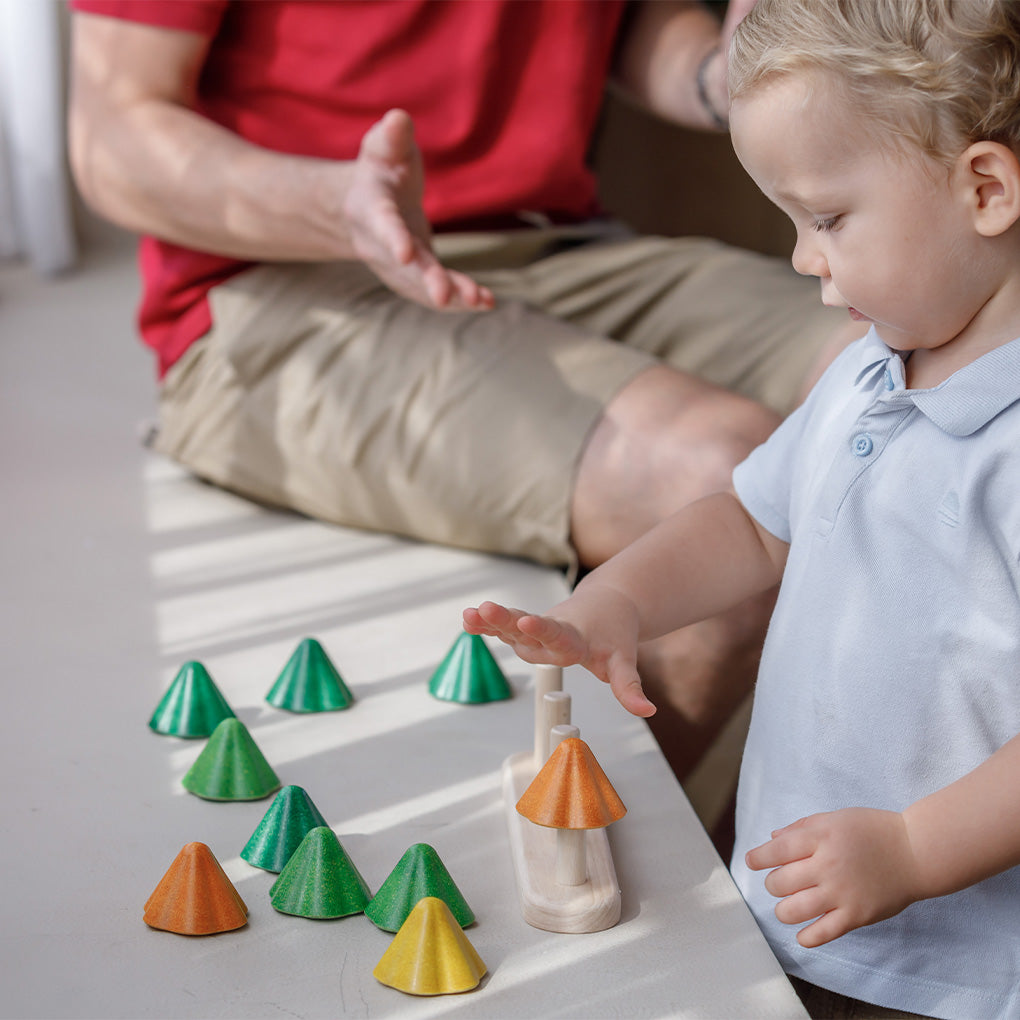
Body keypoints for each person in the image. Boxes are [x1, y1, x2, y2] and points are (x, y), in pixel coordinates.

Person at [67, 0, 857, 785]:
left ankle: (774, 878)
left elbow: (613, 24)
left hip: (558, 245)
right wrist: (334, 206)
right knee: (740, 481)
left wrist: (722, 75)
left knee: (901, 366)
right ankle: (589, 862)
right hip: (279, 279)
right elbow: (111, 133)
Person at [465, 0, 1020, 1017]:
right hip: (804, 912)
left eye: (829, 219)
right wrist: (619, 602)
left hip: (950, 969)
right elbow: (757, 522)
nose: (805, 258)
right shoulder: (870, 370)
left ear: (984, 187)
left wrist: (911, 849)